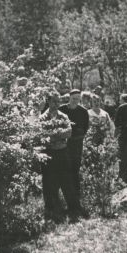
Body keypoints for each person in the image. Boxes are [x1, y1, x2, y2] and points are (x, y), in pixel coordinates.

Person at [40, 91, 81, 223]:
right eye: (54, 101)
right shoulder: (42, 117)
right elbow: (43, 135)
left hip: (62, 152)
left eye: (58, 101)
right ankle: (51, 208)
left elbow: (69, 132)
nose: (57, 104)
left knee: (66, 180)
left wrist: (53, 134)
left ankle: (72, 207)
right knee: (48, 181)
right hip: (48, 153)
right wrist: (58, 134)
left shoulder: (63, 116)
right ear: (49, 101)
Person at [59, 89, 89, 199]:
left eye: (77, 99)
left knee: (75, 168)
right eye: (73, 99)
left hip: (77, 143)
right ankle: (64, 194)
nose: (75, 101)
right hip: (64, 143)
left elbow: (85, 128)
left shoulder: (83, 111)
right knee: (64, 168)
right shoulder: (62, 109)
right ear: (69, 98)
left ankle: (76, 195)